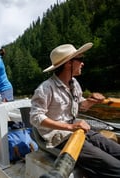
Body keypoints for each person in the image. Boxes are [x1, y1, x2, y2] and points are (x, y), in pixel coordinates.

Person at [29, 42, 120, 178]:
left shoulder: (74, 83)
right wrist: (70, 126)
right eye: (80, 59)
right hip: (58, 137)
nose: (82, 63)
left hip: (77, 131)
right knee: (116, 168)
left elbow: (81, 105)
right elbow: (35, 118)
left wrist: (90, 100)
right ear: (68, 64)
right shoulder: (45, 89)